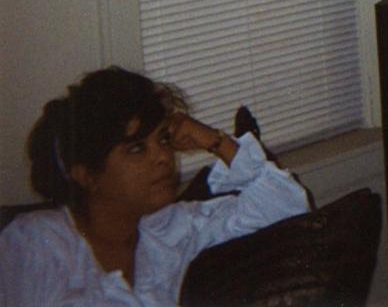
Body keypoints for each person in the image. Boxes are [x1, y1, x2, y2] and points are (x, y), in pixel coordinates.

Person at [0, 66, 311, 307]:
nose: (163, 157)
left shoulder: (170, 229)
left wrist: (216, 141)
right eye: (137, 148)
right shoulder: (38, 242)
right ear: (87, 174)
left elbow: (287, 205)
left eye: (163, 140)